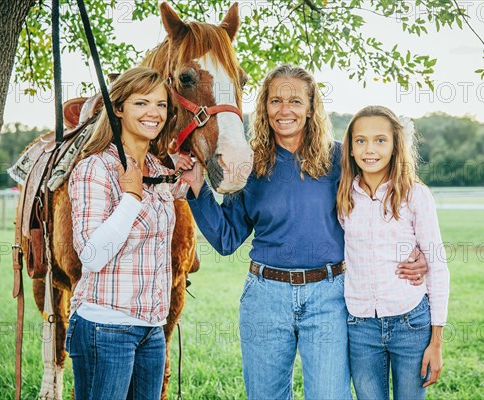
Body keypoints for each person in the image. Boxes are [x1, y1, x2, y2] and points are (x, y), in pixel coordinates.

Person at [180, 65, 428, 399]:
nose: (285, 110)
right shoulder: (250, 163)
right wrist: (198, 189)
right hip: (265, 296)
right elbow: (226, 238)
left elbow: (387, 202)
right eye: (275, 100)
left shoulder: (341, 158)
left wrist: (417, 251)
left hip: (329, 296)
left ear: (311, 108)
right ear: (264, 107)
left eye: (295, 101)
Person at [65, 67, 191, 399]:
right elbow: (91, 256)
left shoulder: (158, 171)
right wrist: (131, 198)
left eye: (162, 105)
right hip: (106, 327)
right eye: (142, 103)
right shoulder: (95, 168)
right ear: (118, 108)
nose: (154, 113)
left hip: (152, 329)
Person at [336, 105, 450, 400]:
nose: (369, 149)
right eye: (360, 140)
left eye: (380, 140)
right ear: (349, 148)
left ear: (395, 145)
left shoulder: (415, 195)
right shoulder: (342, 196)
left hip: (410, 323)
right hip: (361, 327)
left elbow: (437, 266)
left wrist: (436, 342)